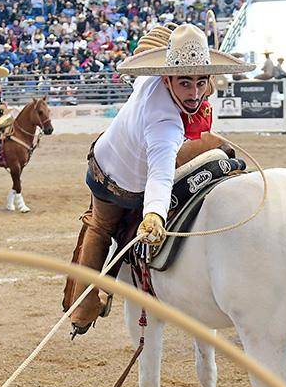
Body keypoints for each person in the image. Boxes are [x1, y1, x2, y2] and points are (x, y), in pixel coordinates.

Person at [63, 23, 254, 334]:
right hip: (120, 183)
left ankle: (84, 308)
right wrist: (153, 214)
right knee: (101, 226)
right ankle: (84, 309)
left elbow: (150, 50)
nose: (194, 94)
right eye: (185, 83)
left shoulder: (150, 78)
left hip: (108, 154)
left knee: (99, 229)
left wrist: (184, 58)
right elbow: (161, 176)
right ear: (168, 79)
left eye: (201, 82)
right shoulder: (165, 124)